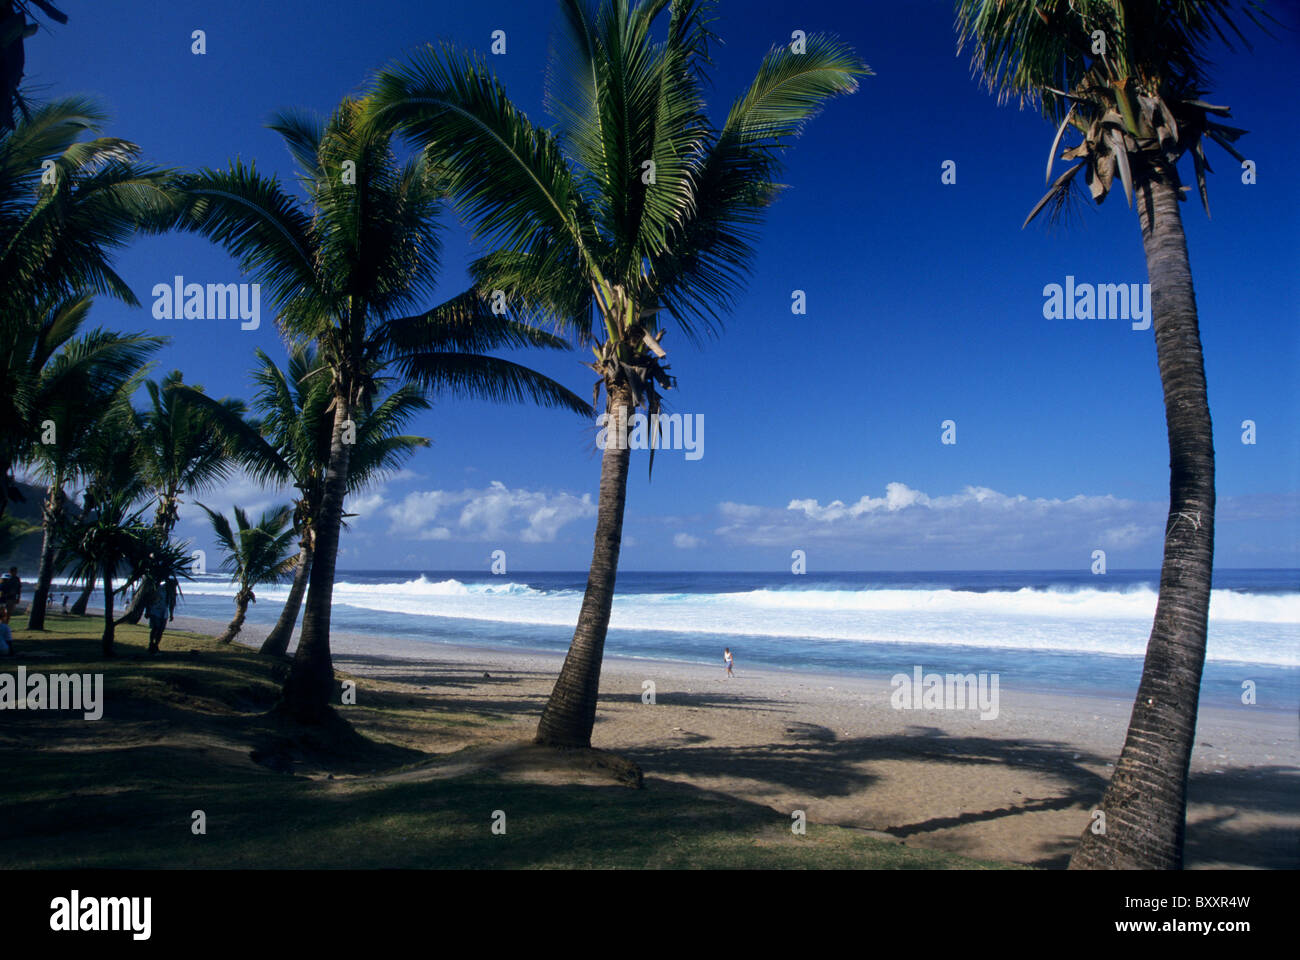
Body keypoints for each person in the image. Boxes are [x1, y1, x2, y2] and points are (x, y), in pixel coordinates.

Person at [146, 583, 169, 655]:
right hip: (155, 611)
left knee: (160, 630)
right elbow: (149, 600)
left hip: (164, 612)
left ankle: (155, 645)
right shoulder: (157, 589)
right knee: (156, 628)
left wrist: (171, 614)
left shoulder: (169, 591)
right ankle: (152, 644)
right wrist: (147, 611)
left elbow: (171, 602)